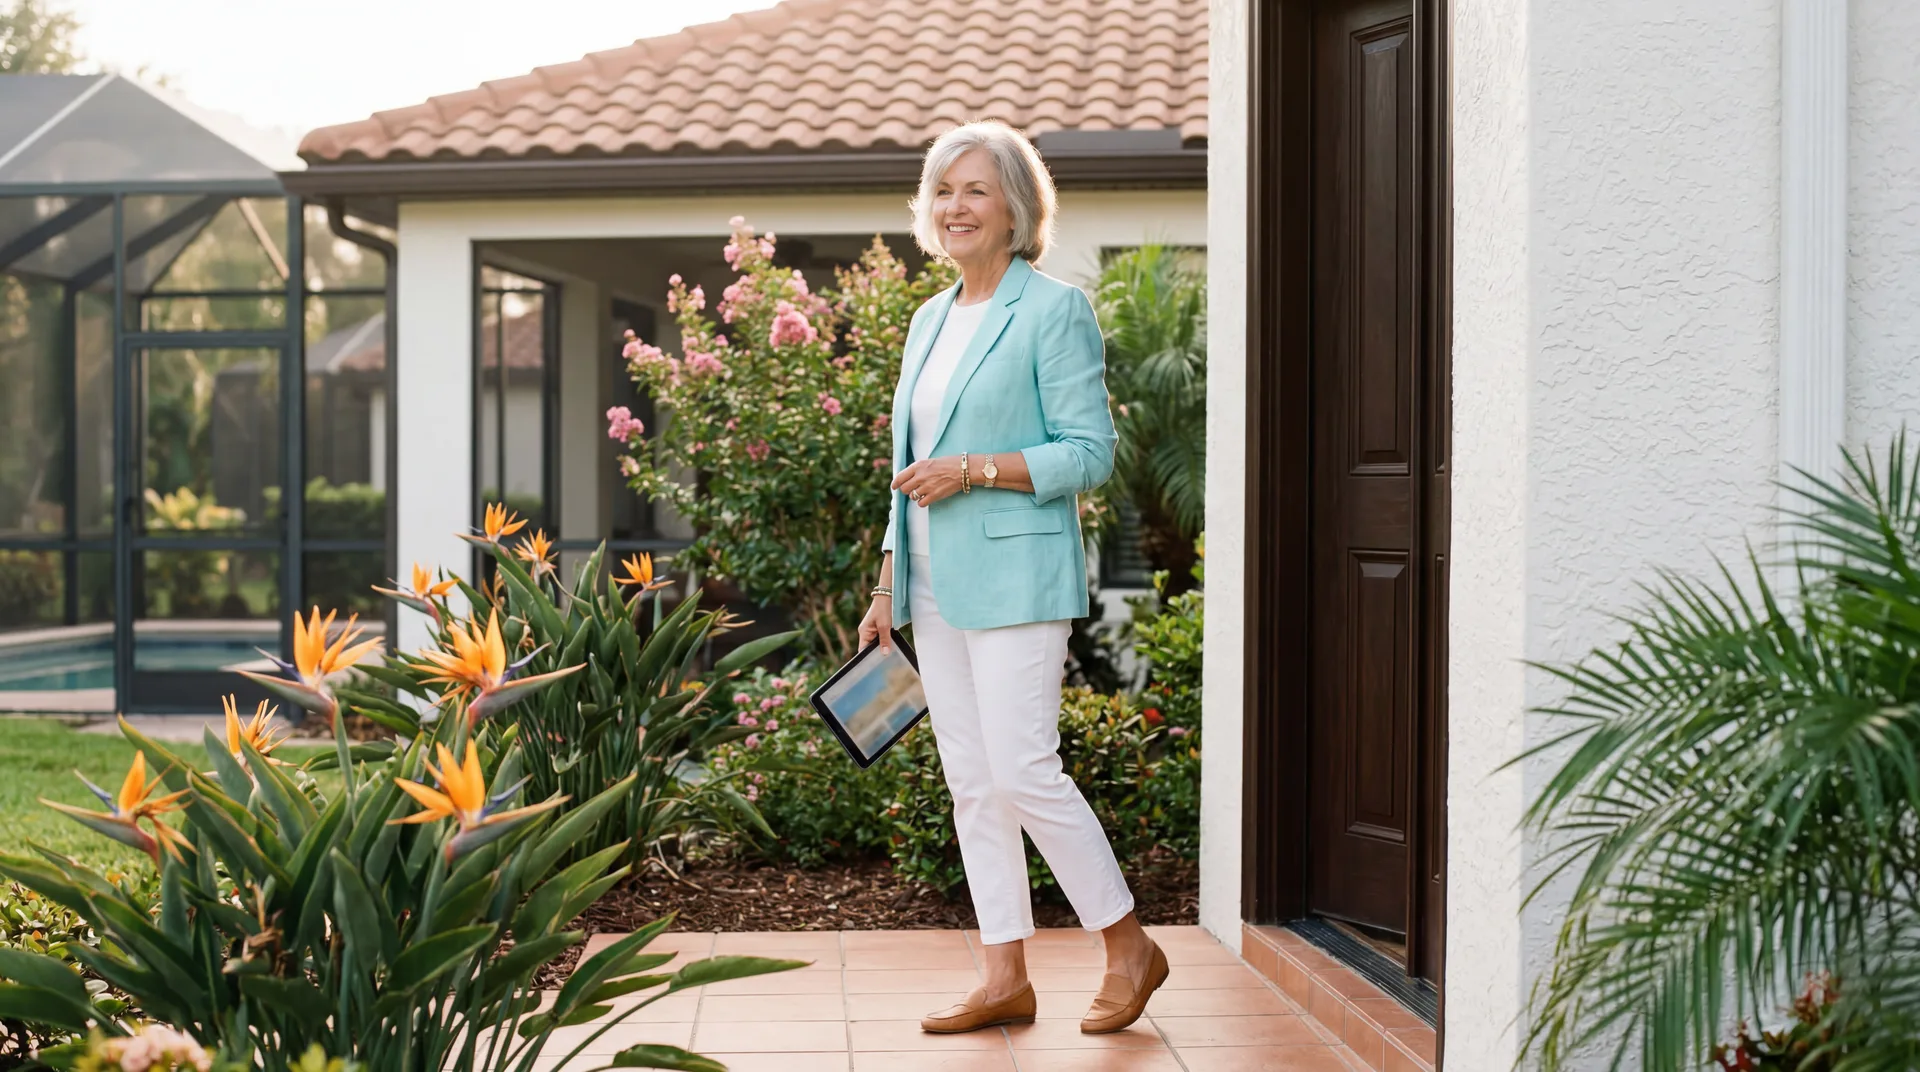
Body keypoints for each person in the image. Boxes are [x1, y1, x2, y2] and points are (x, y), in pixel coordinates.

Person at [855, 120, 1169, 1036]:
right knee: (972, 781)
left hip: (1018, 577)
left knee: (1026, 770)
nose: (955, 206)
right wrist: (885, 588)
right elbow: (906, 462)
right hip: (927, 577)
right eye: (942, 190)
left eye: (976, 189)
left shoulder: (1053, 309)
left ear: (1015, 208)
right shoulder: (926, 318)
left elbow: (1090, 454)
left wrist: (978, 468)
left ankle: (1128, 945)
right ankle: (1004, 975)